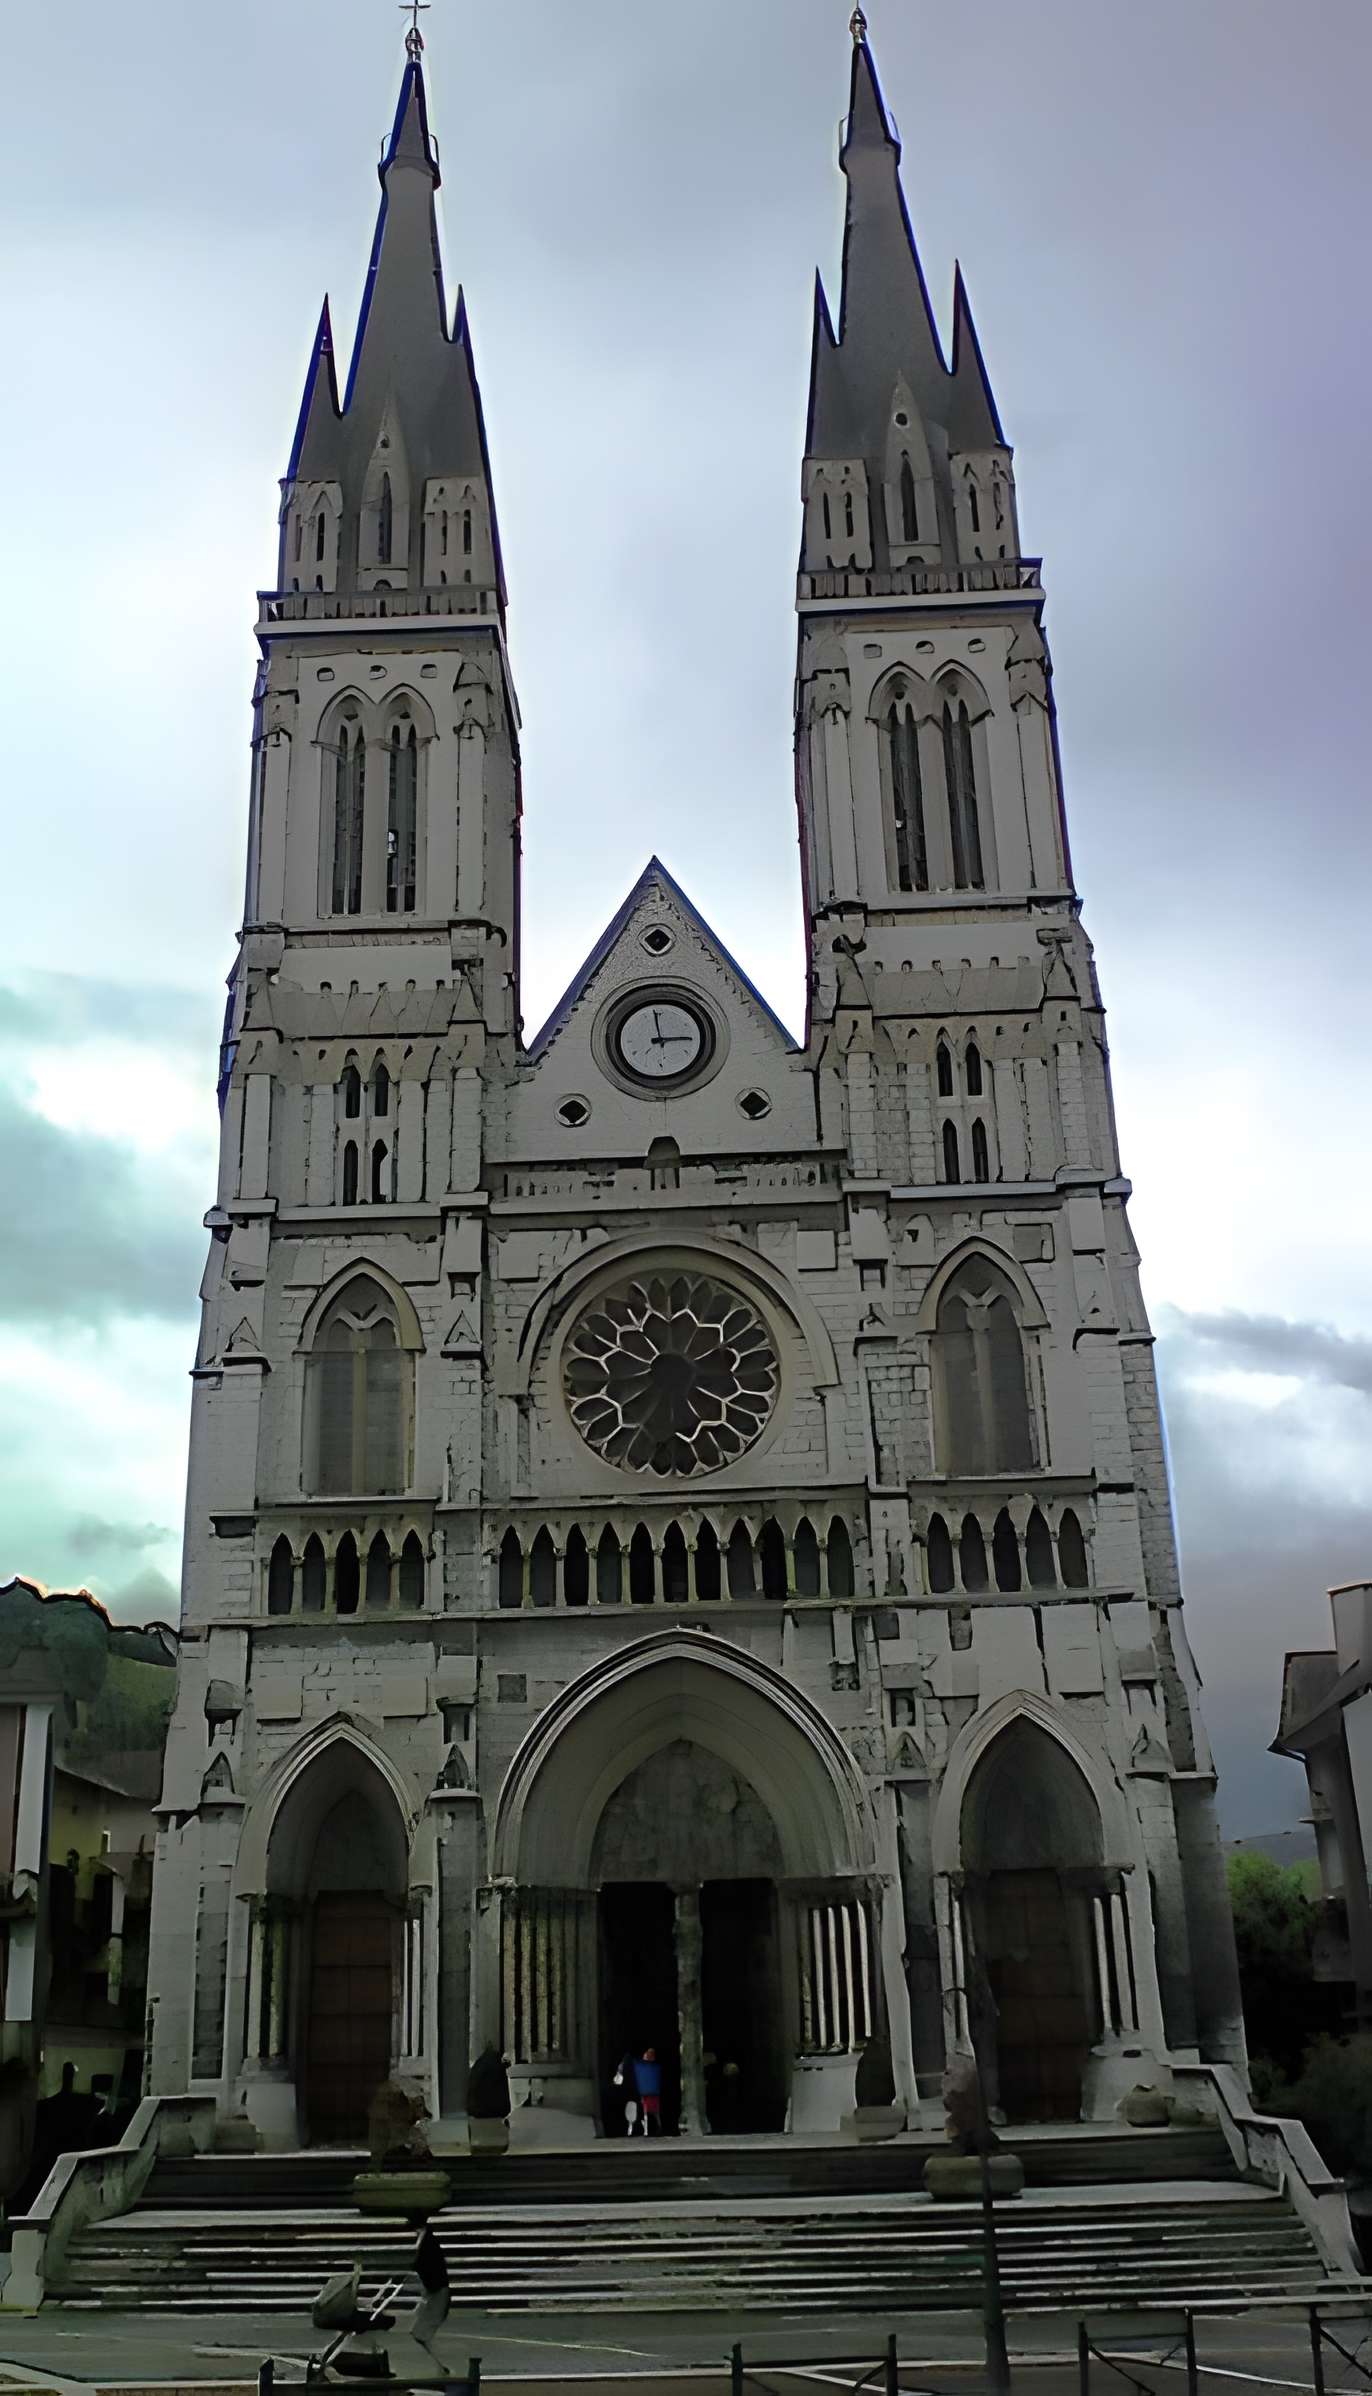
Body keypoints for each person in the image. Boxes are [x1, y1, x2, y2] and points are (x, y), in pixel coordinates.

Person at [614, 2046, 663, 2136]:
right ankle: (642, 2129)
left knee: (636, 2109)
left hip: (636, 2089)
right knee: (642, 2110)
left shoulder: (632, 2062)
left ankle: (634, 2129)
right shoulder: (639, 2064)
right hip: (638, 2090)